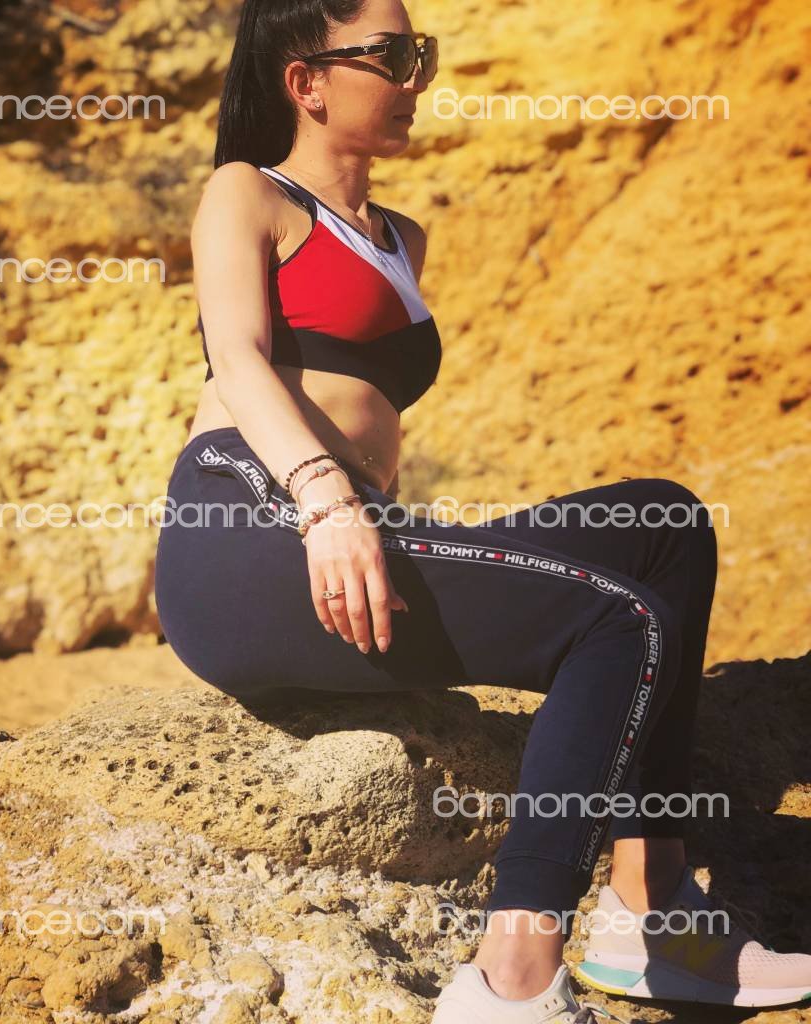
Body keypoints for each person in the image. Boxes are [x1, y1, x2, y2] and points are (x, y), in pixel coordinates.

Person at [153, 0, 811, 1019]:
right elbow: (237, 358)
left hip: (352, 525)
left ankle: (648, 911)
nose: (415, 77)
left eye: (421, 53)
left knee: (664, 525)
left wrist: (365, 518)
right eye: (389, 56)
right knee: (620, 620)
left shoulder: (401, 238)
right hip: (246, 520)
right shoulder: (250, 192)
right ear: (306, 82)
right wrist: (327, 503)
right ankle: (512, 977)